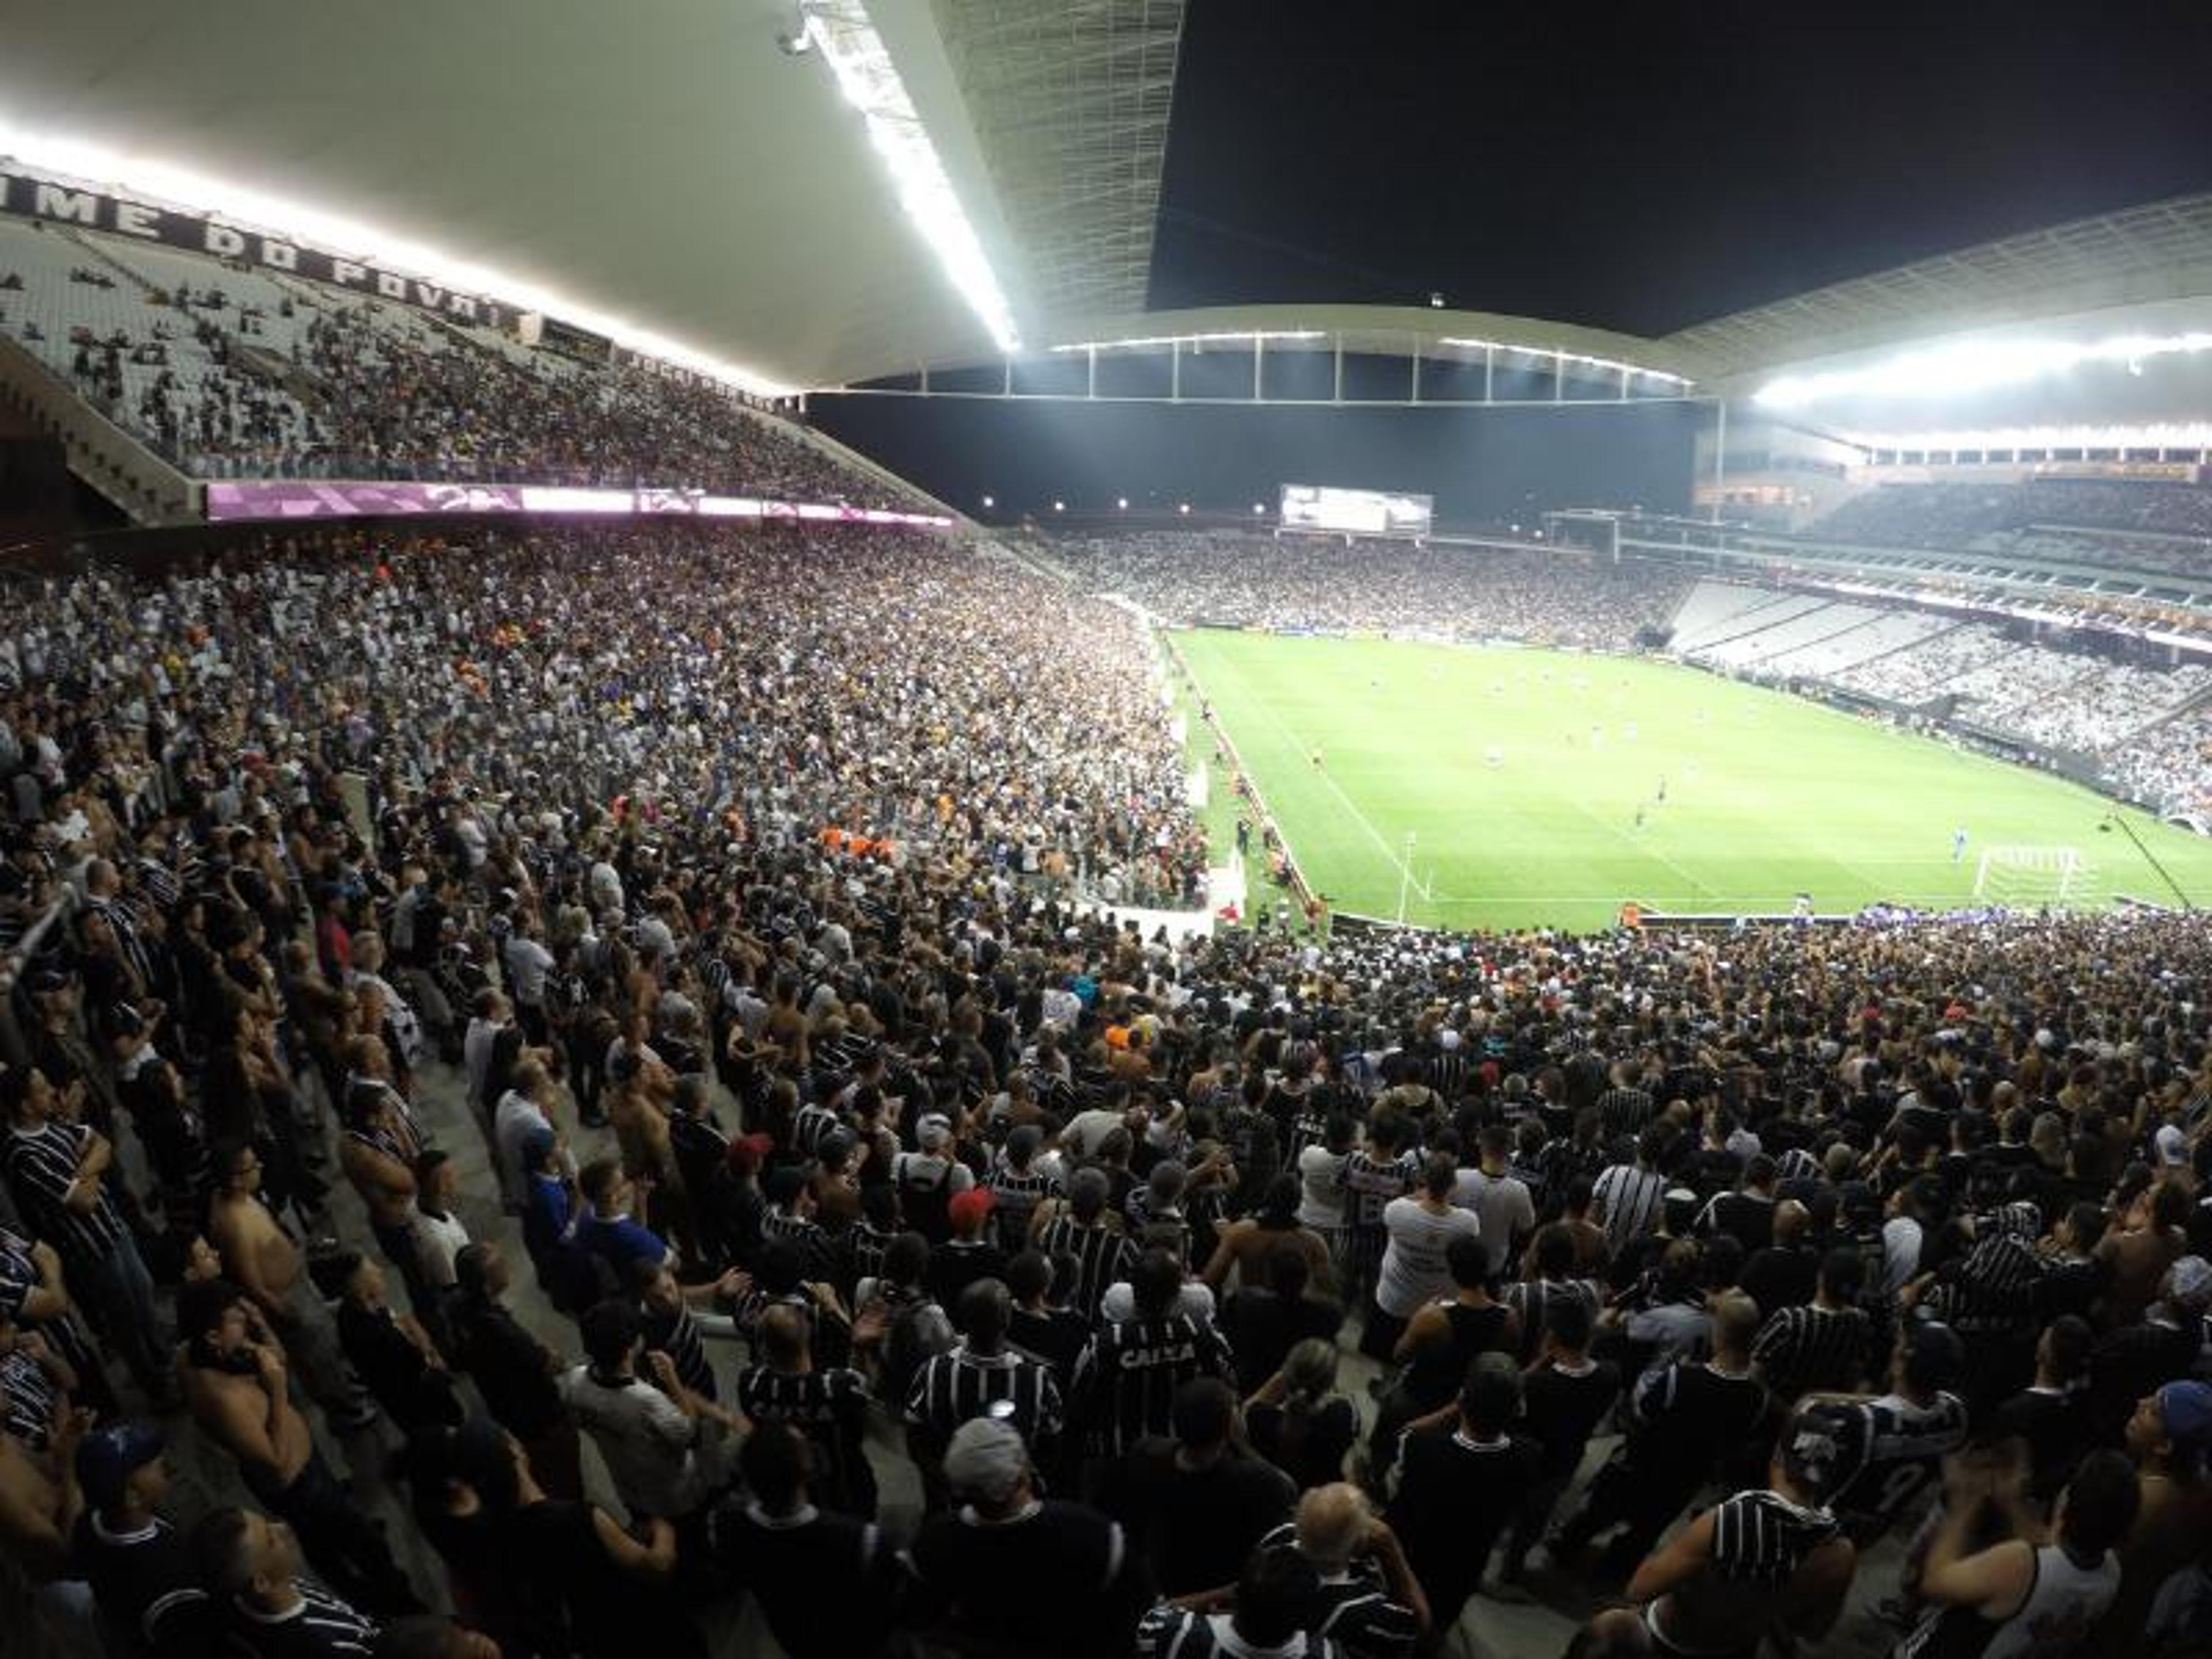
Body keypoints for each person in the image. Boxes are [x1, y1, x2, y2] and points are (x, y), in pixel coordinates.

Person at [176, 1280, 420, 1615]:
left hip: (312, 1469)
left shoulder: (216, 1348)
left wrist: (261, 1324)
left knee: (340, 1536)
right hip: (299, 1486)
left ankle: (373, 1581)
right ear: (213, 1336)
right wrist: (277, 1391)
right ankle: (392, 1606)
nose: (243, 1323)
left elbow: (278, 1359)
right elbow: (274, 1462)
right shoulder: (220, 1399)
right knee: (356, 1548)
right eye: (235, 1319)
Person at [1624, 1401, 1858, 1659]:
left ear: (1778, 1456)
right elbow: (1815, 1631)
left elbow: (1640, 1589)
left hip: (1669, 1641)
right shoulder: (1841, 1553)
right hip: (1736, 1648)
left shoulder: (1730, 1520)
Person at [908, 1416, 1152, 1658]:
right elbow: (1136, 1611)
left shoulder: (935, 1541)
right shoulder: (1091, 1533)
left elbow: (918, 1618)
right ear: (1023, 1474)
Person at [3, 1063, 169, 1397]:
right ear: (24, 1105)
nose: (53, 1091)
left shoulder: (52, 1124)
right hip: (92, 1249)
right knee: (126, 1320)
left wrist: (82, 1170)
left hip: (113, 1229)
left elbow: (102, 1144)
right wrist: (90, 1170)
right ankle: (155, 1384)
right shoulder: (23, 1156)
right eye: (42, 1088)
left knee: (144, 1294)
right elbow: (84, 1201)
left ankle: (164, 1358)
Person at [1894, 1446, 2139, 1658]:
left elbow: (1934, 1582)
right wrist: (2013, 1502)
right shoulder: (2110, 1573)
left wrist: (1963, 1507)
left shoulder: (2021, 1564)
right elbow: (2051, 1548)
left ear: (2067, 1503)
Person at [710, 1424, 905, 1659]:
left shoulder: (724, 1528)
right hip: (857, 1640)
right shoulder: (861, 1538)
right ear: (810, 1468)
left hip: (792, 1636)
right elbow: (889, 1595)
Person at [1386, 1350, 1540, 1632]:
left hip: (1410, 1557)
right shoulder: (1528, 1455)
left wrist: (1455, 1407)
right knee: (1443, 1616)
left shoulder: (1422, 1447)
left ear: (1462, 1398)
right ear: (1518, 1408)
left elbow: (1404, 1443)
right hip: (1469, 1560)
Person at [1101, 1376, 1297, 1597]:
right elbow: (1287, 1488)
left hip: (1167, 1582)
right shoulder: (1255, 1481)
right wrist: (1243, 1444)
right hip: (1224, 1593)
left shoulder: (1146, 1455)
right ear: (1228, 1428)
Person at [559, 1298, 736, 1522]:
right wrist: (674, 1383)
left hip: (626, 1482)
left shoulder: (575, 1381)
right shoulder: (647, 1400)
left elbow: (577, 1420)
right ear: (632, 1347)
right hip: (673, 1494)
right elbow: (688, 1434)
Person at [70, 1420, 218, 1658]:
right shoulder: (168, 1575)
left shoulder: (91, 1521)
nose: (163, 1463)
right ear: (132, 1496)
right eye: (151, 1465)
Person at [736, 1301, 877, 1518]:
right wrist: (857, 1343)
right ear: (808, 1339)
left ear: (764, 1347)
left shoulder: (751, 1384)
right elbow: (863, 1394)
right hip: (840, 1491)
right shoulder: (837, 1387)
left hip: (781, 1486)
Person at [194, 1505, 384, 1659]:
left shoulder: (250, 1593)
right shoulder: (321, 1647)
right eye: (271, 1540)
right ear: (261, 1583)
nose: (283, 1527)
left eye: (268, 1523)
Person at [1134, 1545, 1349, 1658]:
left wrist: (1224, 1592)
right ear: (1303, 1619)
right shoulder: (1327, 1653)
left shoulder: (1171, 1634)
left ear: (1237, 1597)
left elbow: (1159, 1612)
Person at [1244, 1338, 1359, 1493]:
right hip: (1318, 1499)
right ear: (1331, 1382)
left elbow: (1246, 1411)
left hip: (1266, 1491)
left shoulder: (1261, 1417)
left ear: (1286, 1373)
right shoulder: (1343, 1413)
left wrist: (1278, 1381)